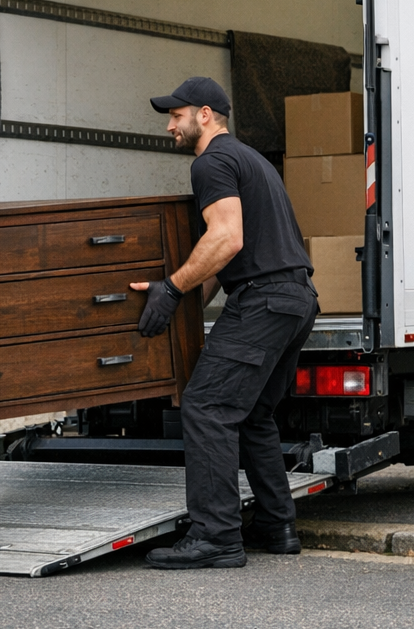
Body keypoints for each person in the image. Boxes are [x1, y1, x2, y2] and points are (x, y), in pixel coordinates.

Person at [132, 76, 319, 570]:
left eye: (177, 115)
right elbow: (221, 256)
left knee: (206, 406)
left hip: (265, 301)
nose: (170, 125)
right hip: (296, 299)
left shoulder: (211, 162)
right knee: (254, 413)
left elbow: (227, 239)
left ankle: (215, 536)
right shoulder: (250, 159)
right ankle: (277, 526)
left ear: (206, 115)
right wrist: (185, 305)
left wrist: (170, 289)